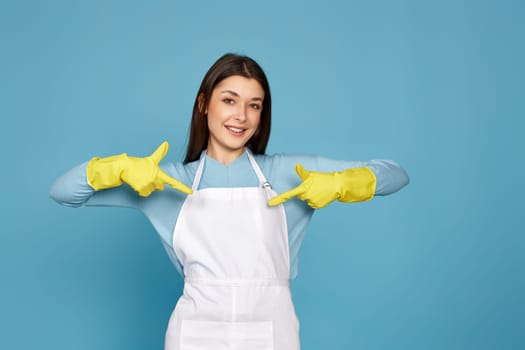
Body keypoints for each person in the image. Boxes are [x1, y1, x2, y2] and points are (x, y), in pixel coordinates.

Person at [49, 53, 409, 350]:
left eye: (254, 105)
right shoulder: (167, 182)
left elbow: (395, 174)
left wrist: (345, 183)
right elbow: (63, 192)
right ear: (204, 104)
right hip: (194, 334)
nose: (241, 116)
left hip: (273, 333)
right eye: (229, 100)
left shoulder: (289, 174)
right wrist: (116, 168)